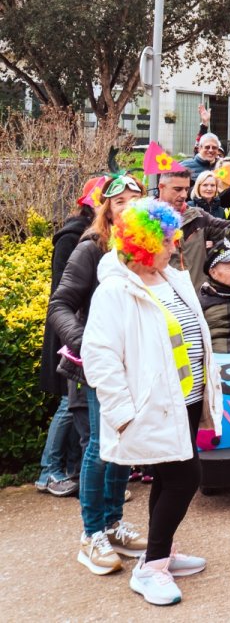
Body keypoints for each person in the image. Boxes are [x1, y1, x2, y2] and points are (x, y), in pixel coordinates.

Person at [82, 199, 220, 606]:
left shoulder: (172, 278)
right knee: (185, 478)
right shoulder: (115, 290)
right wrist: (124, 413)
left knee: (168, 477)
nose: (172, 245)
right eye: (162, 239)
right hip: (153, 407)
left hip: (186, 401)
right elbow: (100, 358)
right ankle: (151, 567)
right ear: (140, 244)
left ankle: (162, 550)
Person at [48, 175, 149, 574]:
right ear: (106, 209)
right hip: (99, 363)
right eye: (119, 200)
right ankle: (91, 535)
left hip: (136, 361)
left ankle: (112, 523)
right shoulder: (91, 248)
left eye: (134, 200)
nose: (127, 206)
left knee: (124, 442)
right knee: (101, 446)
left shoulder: (144, 248)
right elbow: (60, 304)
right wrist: (87, 345)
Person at [36, 180, 99, 498]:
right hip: (72, 331)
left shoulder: (99, 238)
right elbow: (64, 291)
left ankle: (75, 470)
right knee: (66, 402)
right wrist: (75, 334)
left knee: (80, 406)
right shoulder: (73, 237)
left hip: (86, 328)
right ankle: (49, 472)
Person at [155, 169, 230, 292]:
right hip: (161, 299)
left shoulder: (198, 216)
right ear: (161, 187)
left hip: (197, 296)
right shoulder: (145, 219)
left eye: (186, 189)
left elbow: (227, 228)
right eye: (178, 189)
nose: (184, 195)